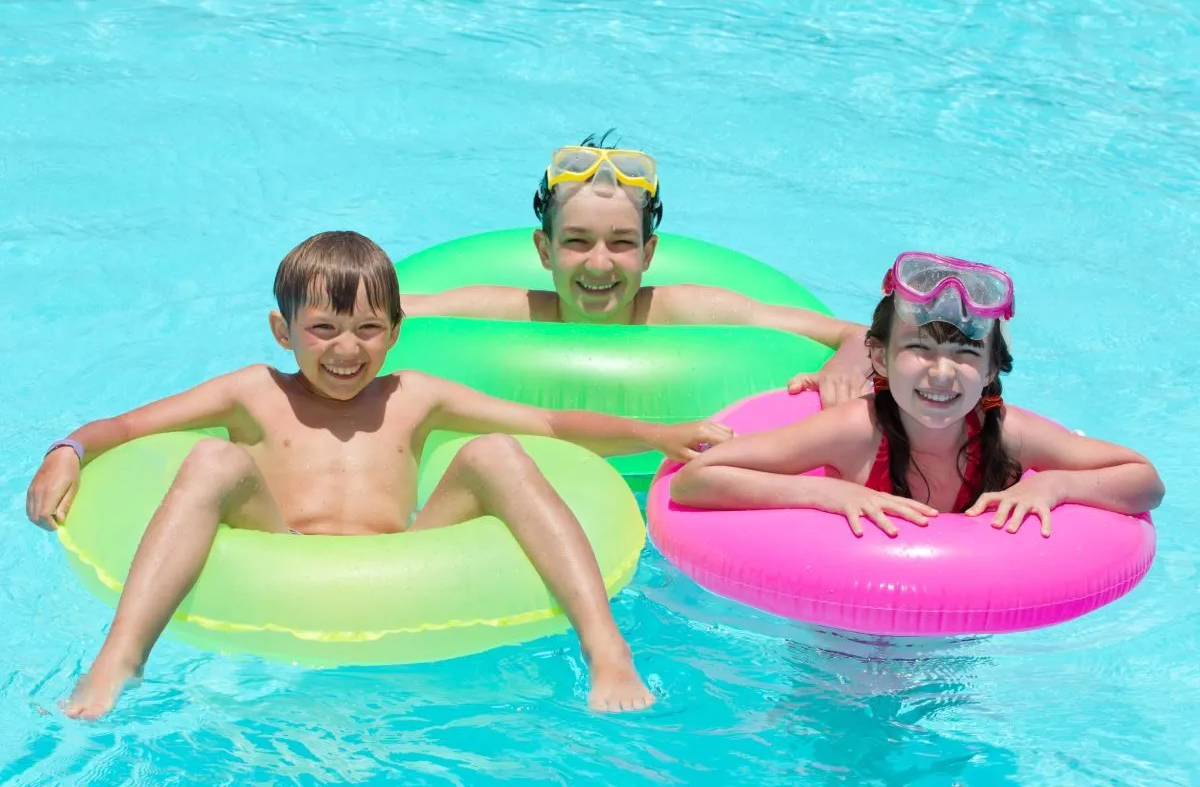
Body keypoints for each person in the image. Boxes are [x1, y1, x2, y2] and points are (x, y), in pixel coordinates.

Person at [25, 231, 733, 720]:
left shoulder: (412, 396)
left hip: (404, 551)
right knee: (214, 458)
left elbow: (547, 424)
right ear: (283, 330)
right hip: (285, 544)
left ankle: (606, 649)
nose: (345, 349)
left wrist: (657, 435)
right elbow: (125, 428)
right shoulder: (252, 392)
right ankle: (119, 660)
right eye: (323, 328)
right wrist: (69, 451)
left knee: (497, 452)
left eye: (367, 329)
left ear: (395, 330)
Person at [670, 251, 1164, 538]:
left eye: (967, 353)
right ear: (880, 359)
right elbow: (695, 480)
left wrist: (1053, 487)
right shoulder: (856, 431)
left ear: (991, 371)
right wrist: (824, 493)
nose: (942, 372)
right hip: (842, 615)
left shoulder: (1006, 434)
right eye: (919, 349)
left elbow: (1146, 481)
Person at [401, 132, 873, 407]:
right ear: (544, 251)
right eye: (577, 241)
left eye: (622, 243)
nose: (600, 262)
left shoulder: (687, 309)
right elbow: (395, 308)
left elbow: (859, 334)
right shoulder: (512, 310)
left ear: (648, 254)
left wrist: (844, 367)